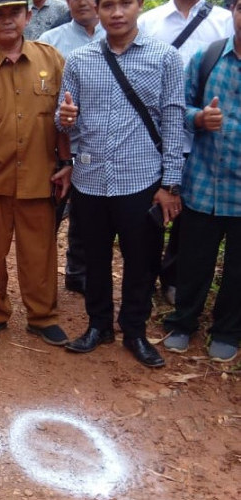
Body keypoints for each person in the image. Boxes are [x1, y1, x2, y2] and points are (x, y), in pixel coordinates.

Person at [57, 0, 186, 368]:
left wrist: (170, 185)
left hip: (141, 180)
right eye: (107, 5)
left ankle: (135, 331)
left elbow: (174, 122)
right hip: (91, 179)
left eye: (124, 3)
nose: (116, 13)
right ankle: (98, 326)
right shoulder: (80, 59)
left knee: (141, 261)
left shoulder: (165, 58)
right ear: (97, 10)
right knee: (93, 258)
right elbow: (63, 119)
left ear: (139, 6)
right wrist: (64, 117)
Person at [0, 0, 71, 345]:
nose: (7, 21)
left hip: (39, 176)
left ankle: (42, 316)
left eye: (14, 13)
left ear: (28, 16)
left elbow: (63, 116)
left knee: (39, 253)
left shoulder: (51, 59)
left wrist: (67, 163)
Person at [138, 0, 233, 306]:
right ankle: (144, 279)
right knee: (150, 215)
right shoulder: (150, 21)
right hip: (155, 138)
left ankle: (174, 281)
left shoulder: (225, 20)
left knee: (188, 223)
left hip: (205, 145)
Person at [162, 0, 241, 363]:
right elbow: (180, 106)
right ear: (234, 13)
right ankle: (182, 322)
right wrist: (199, 118)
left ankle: (226, 330)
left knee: (238, 268)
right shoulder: (209, 57)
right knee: (194, 260)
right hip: (205, 182)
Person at [38, 0, 104, 296]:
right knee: (46, 217)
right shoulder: (49, 43)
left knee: (90, 219)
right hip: (56, 147)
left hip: (100, 149)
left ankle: (79, 275)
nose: (81, 1)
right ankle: (40, 284)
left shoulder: (116, 37)